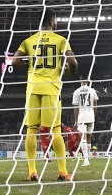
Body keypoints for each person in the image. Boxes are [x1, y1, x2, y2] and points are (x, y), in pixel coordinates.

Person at [12, 9, 78, 182]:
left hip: (32, 88)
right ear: (52, 21)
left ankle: (32, 172)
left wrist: (31, 62)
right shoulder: (61, 40)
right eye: (55, 19)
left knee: (31, 130)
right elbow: (72, 62)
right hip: (51, 89)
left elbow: (14, 61)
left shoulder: (29, 40)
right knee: (55, 130)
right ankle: (62, 172)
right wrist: (69, 71)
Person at [72, 79, 99, 166]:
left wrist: (76, 121)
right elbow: (95, 105)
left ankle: (86, 160)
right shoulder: (92, 91)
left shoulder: (76, 92)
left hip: (82, 117)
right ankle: (88, 157)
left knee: (83, 138)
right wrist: (93, 116)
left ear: (80, 81)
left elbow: (76, 108)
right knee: (89, 137)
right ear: (88, 82)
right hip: (91, 116)